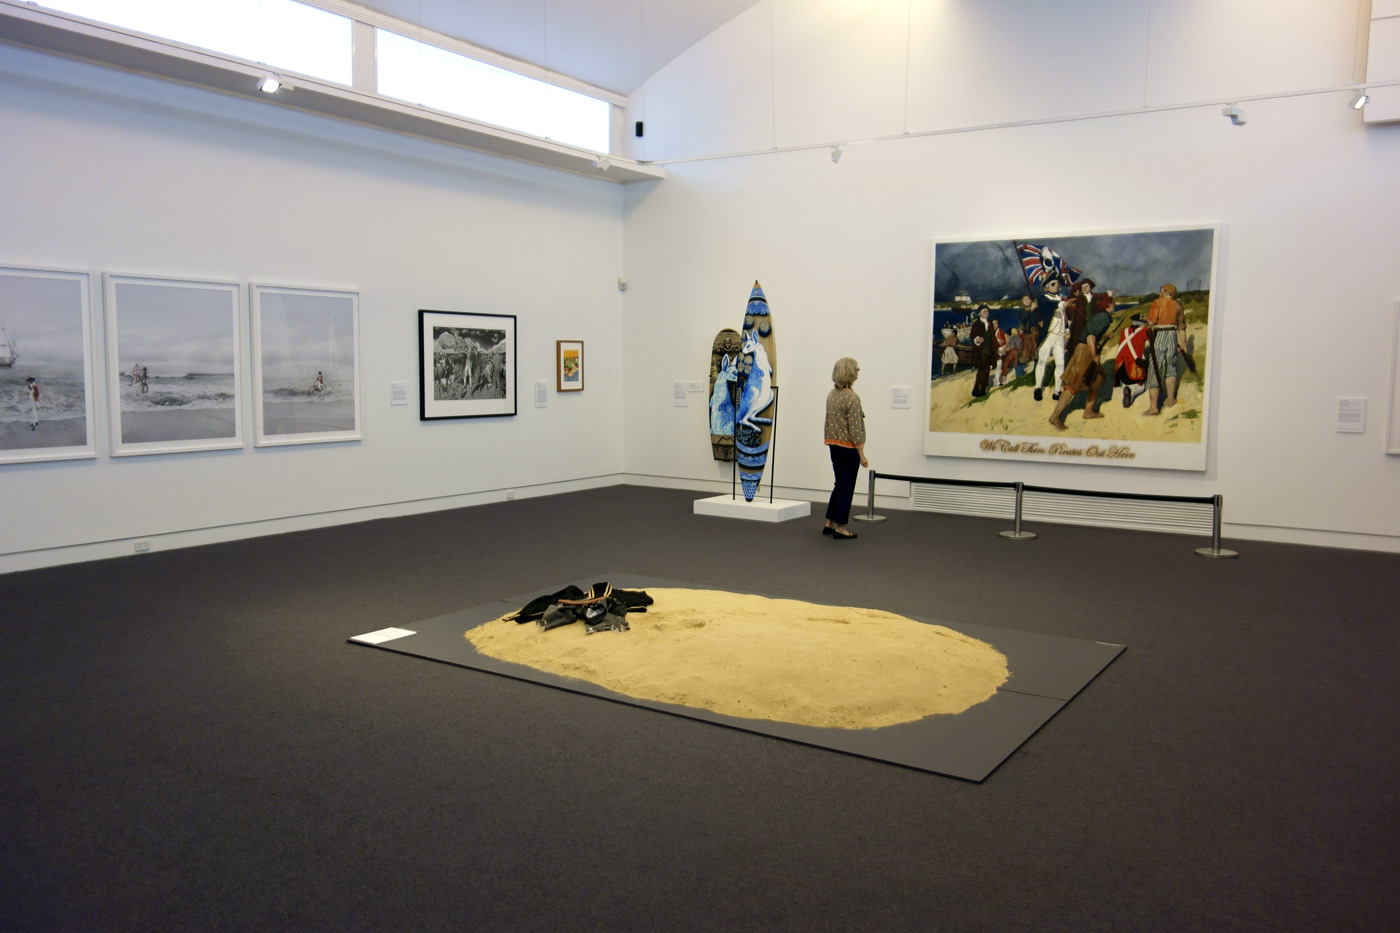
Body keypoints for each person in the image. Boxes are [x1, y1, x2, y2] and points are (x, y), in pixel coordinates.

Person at [1048, 279, 1114, 429]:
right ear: (1108, 305)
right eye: (1112, 303)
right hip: (1084, 351)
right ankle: (1055, 416)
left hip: (1086, 348)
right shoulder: (1103, 318)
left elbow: (1092, 334)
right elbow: (1090, 336)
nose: (1114, 305)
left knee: (1097, 380)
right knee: (1072, 385)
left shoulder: (1102, 317)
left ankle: (1088, 411)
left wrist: (1105, 337)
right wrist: (1094, 355)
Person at [823, 357, 867, 540]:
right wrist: (862, 454)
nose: (858, 372)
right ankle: (840, 527)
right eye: (856, 369)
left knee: (838, 483)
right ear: (850, 372)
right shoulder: (852, 397)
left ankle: (829, 522)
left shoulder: (832, 394)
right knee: (846, 486)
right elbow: (855, 429)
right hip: (849, 449)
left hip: (834, 445)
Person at [1143, 283, 1186, 416]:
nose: (1159, 292)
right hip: (1172, 336)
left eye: (1160, 290)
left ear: (1164, 291)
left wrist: (1145, 319)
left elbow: (1152, 322)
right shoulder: (1178, 305)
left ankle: (1154, 407)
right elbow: (1181, 327)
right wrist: (1183, 344)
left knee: (1154, 368)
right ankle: (1170, 399)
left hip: (1159, 335)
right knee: (1171, 367)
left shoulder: (1158, 302)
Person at [969, 304, 993, 397]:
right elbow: (972, 335)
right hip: (980, 351)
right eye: (984, 311)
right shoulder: (976, 323)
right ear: (979, 314)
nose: (986, 313)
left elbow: (992, 338)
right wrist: (977, 339)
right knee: (984, 369)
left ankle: (976, 390)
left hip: (989, 351)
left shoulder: (989, 323)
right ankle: (981, 390)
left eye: (987, 311)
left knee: (982, 370)